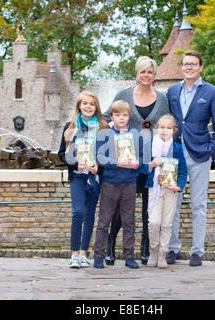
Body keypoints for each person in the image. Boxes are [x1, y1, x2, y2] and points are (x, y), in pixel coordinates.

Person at [102, 56, 169, 265]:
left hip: (153, 162)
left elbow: (168, 124)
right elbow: (105, 117)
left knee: (150, 207)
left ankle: (146, 248)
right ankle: (110, 246)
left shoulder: (163, 98)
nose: (146, 75)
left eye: (150, 72)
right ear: (137, 73)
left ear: (154, 75)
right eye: (143, 72)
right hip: (128, 161)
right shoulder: (123, 95)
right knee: (121, 209)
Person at [166, 51, 215, 267]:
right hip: (174, 155)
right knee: (172, 204)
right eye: (185, 64)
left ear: (200, 67)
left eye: (193, 64)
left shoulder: (212, 92)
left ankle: (197, 252)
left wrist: (211, 152)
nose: (189, 67)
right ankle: (172, 248)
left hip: (199, 155)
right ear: (181, 68)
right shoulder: (172, 91)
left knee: (198, 204)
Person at [93, 100, 147, 269]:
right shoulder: (105, 134)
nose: (121, 118)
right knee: (104, 221)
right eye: (117, 115)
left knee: (129, 221)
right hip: (110, 183)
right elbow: (100, 158)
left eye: (124, 115)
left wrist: (138, 164)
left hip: (129, 183)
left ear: (129, 117)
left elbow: (143, 159)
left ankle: (129, 256)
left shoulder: (136, 135)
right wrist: (117, 162)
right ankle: (98, 256)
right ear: (112, 116)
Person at [58, 91, 109, 269]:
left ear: (96, 107)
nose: (88, 107)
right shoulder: (69, 127)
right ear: (79, 106)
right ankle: (73, 254)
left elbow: (108, 155)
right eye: (85, 103)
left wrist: (99, 167)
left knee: (89, 215)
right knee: (78, 212)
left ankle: (83, 254)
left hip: (94, 177)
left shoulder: (103, 128)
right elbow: (60, 155)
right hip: (78, 177)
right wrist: (74, 164)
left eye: (92, 104)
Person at [146, 114, 187, 268]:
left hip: (171, 190)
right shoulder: (151, 146)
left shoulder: (177, 148)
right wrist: (151, 164)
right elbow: (143, 167)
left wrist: (180, 186)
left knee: (167, 224)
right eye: (162, 127)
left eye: (168, 128)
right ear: (157, 129)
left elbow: (183, 170)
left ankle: (163, 254)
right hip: (155, 189)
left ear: (174, 130)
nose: (165, 131)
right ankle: (153, 251)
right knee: (154, 222)